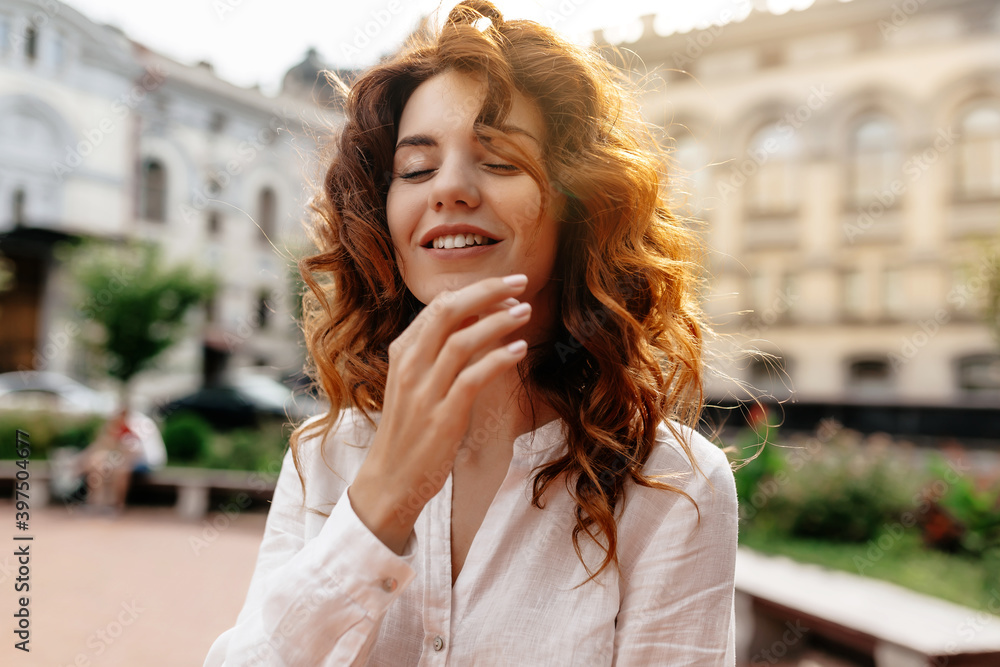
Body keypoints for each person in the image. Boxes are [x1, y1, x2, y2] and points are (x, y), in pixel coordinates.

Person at [205, 2, 738, 664]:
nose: (450, 188)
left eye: (500, 160)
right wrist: (381, 503)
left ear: (580, 207)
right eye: (417, 169)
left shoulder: (675, 485)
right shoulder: (324, 458)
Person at [75, 406, 166, 514]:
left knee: (120, 470)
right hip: (126, 459)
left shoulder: (138, 425)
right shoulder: (117, 426)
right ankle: (95, 503)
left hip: (147, 462)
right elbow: (102, 446)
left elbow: (135, 453)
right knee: (97, 466)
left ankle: (116, 506)